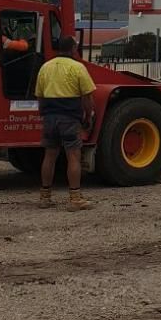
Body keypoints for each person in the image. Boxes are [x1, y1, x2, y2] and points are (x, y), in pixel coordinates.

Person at [34, 35, 95, 209]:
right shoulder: (78, 68)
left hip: (49, 117)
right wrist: (88, 116)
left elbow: (39, 95)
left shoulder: (45, 67)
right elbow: (87, 96)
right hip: (69, 118)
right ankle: (75, 198)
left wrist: (43, 114)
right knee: (73, 156)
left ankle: (45, 197)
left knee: (50, 155)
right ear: (74, 49)